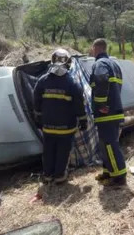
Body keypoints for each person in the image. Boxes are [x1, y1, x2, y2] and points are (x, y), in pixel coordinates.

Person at [33, 48, 88, 184]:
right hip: (66, 127)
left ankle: (47, 175)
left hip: (48, 126)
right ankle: (59, 176)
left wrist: (38, 119)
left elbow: (36, 101)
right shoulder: (72, 83)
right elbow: (79, 105)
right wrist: (83, 121)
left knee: (48, 151)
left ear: (52, 61)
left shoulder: (42, 81)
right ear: (68, 63)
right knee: (63, 152)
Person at [90, 38, 127, 186]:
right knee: (105, 145)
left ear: (95, 48)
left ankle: (118, 177)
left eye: (92, 49)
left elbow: (101, 80)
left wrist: (100, 103)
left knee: (110, 144)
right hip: (113, 111)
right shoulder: (114, 64)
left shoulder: (100, 64)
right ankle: (108, 172)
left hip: (106, 113)